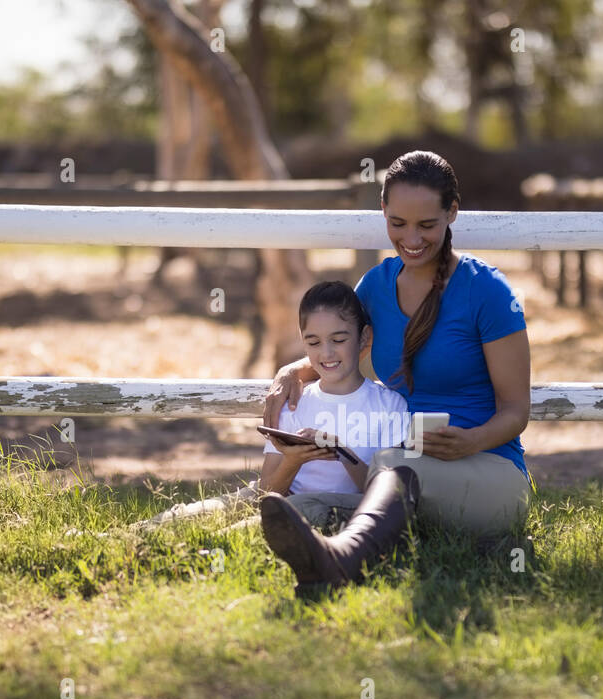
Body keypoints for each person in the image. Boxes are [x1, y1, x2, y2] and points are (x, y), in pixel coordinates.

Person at [259, 150, 533, 595]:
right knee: (321, 498)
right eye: (398, 223)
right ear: (383, 212)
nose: (412, 239)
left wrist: (473, 440)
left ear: (452, 213)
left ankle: (338, 559)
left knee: (387, 466)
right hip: (399, 467)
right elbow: (340, 345)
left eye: (427, 225)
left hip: (487, 468)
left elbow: (517, 409)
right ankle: (328, 534)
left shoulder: (487, 291)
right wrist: (294, 370)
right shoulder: (375, 287)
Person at [137, 281, 408, 533]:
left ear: (363, 338)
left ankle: (221, 540)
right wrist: (293, 460)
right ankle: (129, 534)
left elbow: (383, 494)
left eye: (338, 340)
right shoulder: (295, 400)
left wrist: (341, 452)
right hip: (283, 496)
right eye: (313, 342)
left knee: (279, 516)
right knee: (203, 511)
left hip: (337, 506)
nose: (326, 353)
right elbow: (266, 493)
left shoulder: (388, 405)